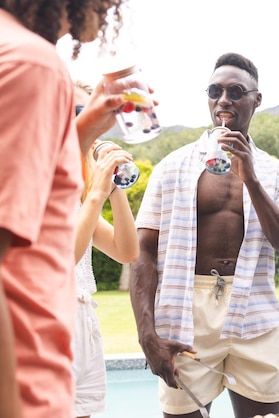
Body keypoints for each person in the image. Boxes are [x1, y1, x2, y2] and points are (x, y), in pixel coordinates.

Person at [130, 52, 279, 418]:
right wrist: (147, 334)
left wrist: (252, 178)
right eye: (215, 90)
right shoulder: (172, 167)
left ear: (256, 99)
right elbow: (142, 253)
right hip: (185, 315)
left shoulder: (274, 173)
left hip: (254, 313)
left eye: (236, 91)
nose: (223, 100)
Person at [0, 2, 125, 417]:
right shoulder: (31, 63)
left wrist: (85, 136)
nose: (111, 7)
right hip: (25, 372)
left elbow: (126, 250)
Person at [72, 82, 139, 418]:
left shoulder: (80, 199)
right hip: (49, 323)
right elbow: (63, 258)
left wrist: (114, 188)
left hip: (85, 325)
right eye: (75, 113)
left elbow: (127, 251)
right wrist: (97, 193)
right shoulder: (33, 182)